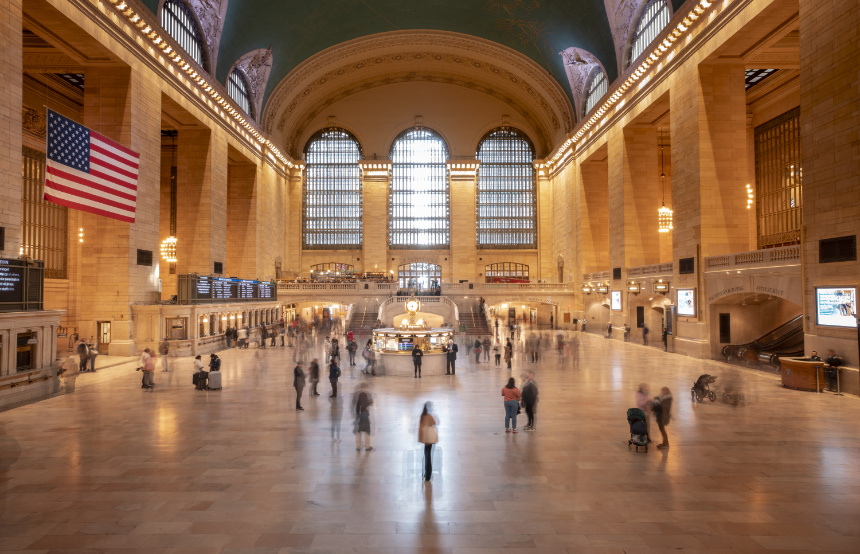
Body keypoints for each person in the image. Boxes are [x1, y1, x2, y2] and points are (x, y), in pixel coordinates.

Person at [418, 402, 438, 481]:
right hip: (430, 439)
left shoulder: (422, 416)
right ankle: (428, 475)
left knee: (426, 455)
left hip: (425, 439)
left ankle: (425, 473)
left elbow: (420, 427)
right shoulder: (429, 416)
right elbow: (434, 423)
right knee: (429, 456)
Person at [353, 384, 373, 451]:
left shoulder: (357, 395)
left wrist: (357, 414)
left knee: (359, 430)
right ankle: (367, 446)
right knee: (367, 430)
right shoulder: (363, 394)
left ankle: (358, 446)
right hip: (364, 415)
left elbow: (357, 406)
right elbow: (364, 405)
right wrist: (370, 402)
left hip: (359, 415)